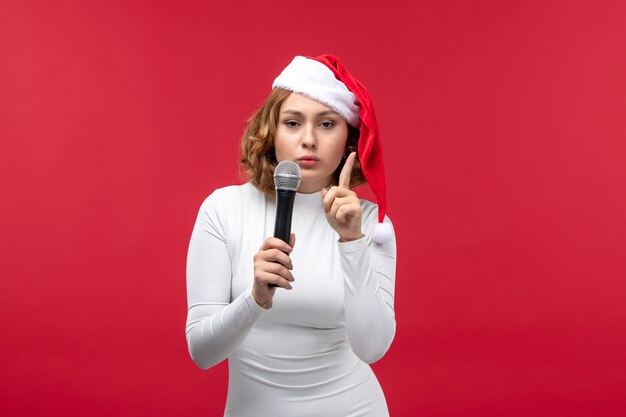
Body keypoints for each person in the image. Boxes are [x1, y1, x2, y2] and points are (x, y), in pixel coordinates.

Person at [185, 54, 397, 417]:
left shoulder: (370, 224)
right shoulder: (223, 210)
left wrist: (351, 243)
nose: (309, 140)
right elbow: (203, 353)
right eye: (293, 123)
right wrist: (254, 299)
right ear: (271, 132)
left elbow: (372, 347)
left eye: (327, 124)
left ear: (349, 139)